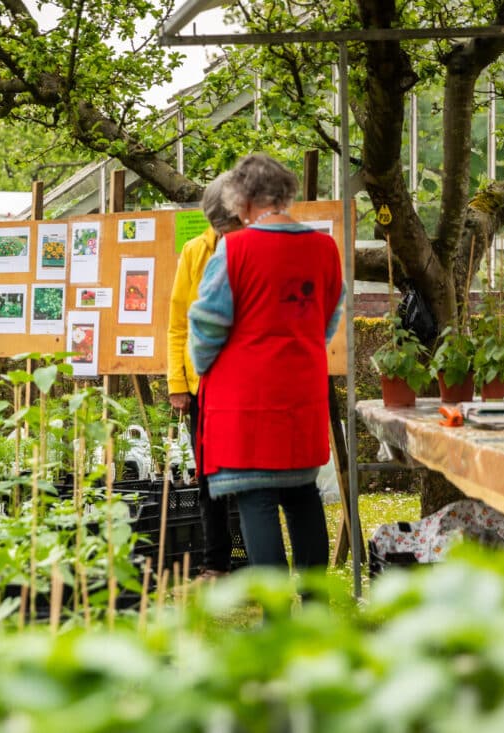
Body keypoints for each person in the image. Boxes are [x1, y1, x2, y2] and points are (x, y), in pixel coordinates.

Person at [189, 153, 344, 572]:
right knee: (302, 495)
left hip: (248, 401)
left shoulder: (235, 249)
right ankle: (315, 605)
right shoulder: (324, 247)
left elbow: (207, 322)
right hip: (302, 396)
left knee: (256, 499)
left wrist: (204, 364)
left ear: (243, 199)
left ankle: (275, 614)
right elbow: (329, 316)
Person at [167, 174, 241, 578]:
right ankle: (216, 562)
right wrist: (178, 385)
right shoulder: (195, 251)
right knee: (209, 475)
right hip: (202, 387)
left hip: (243, 385)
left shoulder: (254, 249)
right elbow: (177, 322)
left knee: (248, 476)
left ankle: (259, 562)